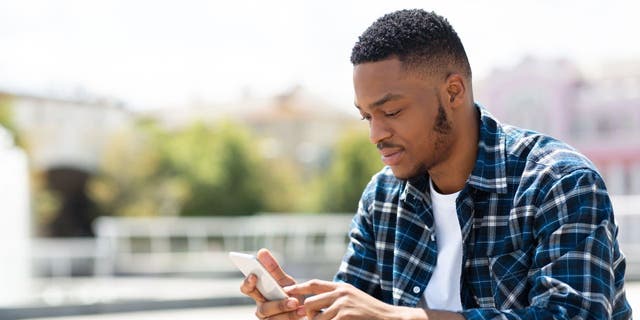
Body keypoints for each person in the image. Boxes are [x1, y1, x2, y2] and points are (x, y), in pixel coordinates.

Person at [240, 9, 632, 320]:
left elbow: (573, 316)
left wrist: (402, 319)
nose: (376, 133)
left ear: (453, 91)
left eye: (391, 111)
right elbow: (360, 310)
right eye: (366, 117)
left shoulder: (557, 182)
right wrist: (305, 313)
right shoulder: (383, 199)